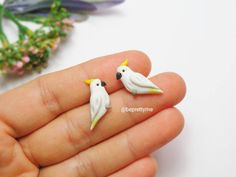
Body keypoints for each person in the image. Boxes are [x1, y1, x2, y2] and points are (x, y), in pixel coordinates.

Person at [0, 51, 186, 177]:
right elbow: (99, 105)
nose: (119, 76)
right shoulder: (97, 94)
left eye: (121, 71)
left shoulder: (130, 79)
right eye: (120, 72)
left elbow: (136, 87)